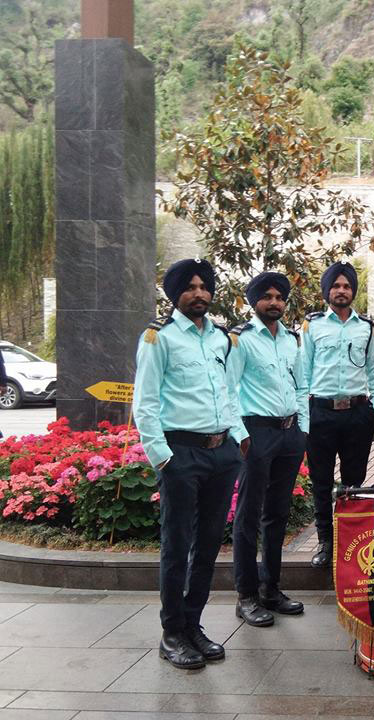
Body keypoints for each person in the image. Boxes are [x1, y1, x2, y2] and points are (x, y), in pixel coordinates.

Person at [132, 258, 248, 670]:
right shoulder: (158, 339)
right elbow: (144, 404)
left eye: (204, 286)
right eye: (190, 287)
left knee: (209, 545)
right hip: (181, 453)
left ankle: (194, 625)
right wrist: (164, 459)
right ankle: (171, 632)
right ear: (175, 293)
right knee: (177, 545)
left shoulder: (220, 339)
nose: (199, 293)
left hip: (220, 454)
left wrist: (238, 438)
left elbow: (230, 392)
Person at [228, 272, 309, 627]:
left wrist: (303, 429)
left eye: (280, 297)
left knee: (277, 514)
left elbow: (302, 384)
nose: (274, 302)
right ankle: (246, 596)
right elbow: (228, 390)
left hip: (289, 434)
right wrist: (241, 436)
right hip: (256, 433)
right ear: (254, 301)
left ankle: (271, 589)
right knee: (248, 517)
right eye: (268, 297)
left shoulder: (292, 339)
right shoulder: (241, 340)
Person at [302, 261, 374, 569]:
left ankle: (350, 539)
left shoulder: (366, 326)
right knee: (321, 481)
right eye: (336, 286)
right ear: (327, 291)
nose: (341, 290)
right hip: (320, 413)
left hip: (356, 414)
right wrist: (304, 414)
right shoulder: (312, 326)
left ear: (353, 291)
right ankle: (325, 541)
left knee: (354, 481)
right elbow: (303, 369)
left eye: (346, 286)